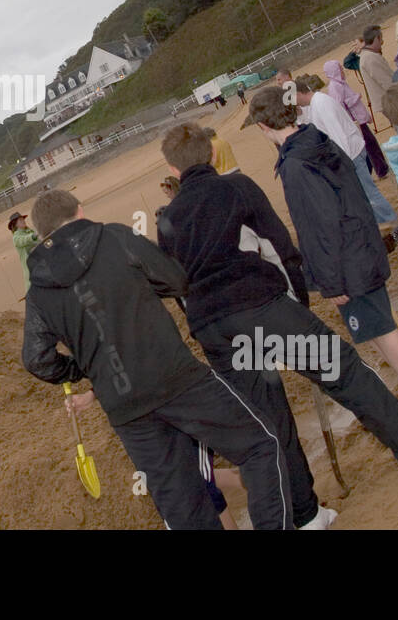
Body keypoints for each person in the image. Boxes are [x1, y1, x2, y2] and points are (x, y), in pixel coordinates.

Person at [157, 122, 398, 525]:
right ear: (212, 154)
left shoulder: (169, 219)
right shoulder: (237, 188)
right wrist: (298, 305)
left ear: (173, 167)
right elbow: (281, 248)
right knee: (346, 374)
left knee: (269, 419)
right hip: (259, 307)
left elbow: (178, 288)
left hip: (214, 327)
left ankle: (305, 515)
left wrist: (207, 325)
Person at [21, 188, 295, 530]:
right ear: (79, 211)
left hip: (124, 406)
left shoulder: (38, 290)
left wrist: (81, 368)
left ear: (42, 232)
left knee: (181, 504)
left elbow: (36, 358)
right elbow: (176, 279)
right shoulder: (116, 236)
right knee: (261, 445)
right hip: (176, 379)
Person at [249, 88, 398, 425]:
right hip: (360, 248)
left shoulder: (296, 164)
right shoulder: (316, 139)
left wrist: (330, 280)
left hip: (348, 261)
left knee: (382, 328)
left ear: (264, 127)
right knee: (377, 325)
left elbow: (320, 227)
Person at [293, 74, 398, 227]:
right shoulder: (316, 103)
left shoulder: (321, 103)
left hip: (351, 154)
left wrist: (343, 162)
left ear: (298, 94)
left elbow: (337, 133)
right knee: (364, 194)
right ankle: (384, 221)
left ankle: (392, 222)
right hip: (350, 152)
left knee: (369, 193)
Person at [322, 59, 389, 178]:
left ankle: (376, 170)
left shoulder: (340, 84)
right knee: (370, 145)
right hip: (355, 121)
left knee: (368, 146)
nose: (342, 70)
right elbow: (339, 105)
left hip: (358, 120)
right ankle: (381, 170)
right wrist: (354, 99)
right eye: (340, 68)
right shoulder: (335, 86)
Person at [344, 25, 396, 122]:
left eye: (357, 43)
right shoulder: (369, 57)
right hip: (388, 100)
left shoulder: (369, 55)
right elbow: (386, 82)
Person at [8, 212, 39, 292]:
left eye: (23, 219)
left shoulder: (30, 231)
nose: (23, 221)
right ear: (15, 224)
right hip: (31, 268)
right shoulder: (16, 237)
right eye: (20, 220)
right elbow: (24, 240)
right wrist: (33, 236)